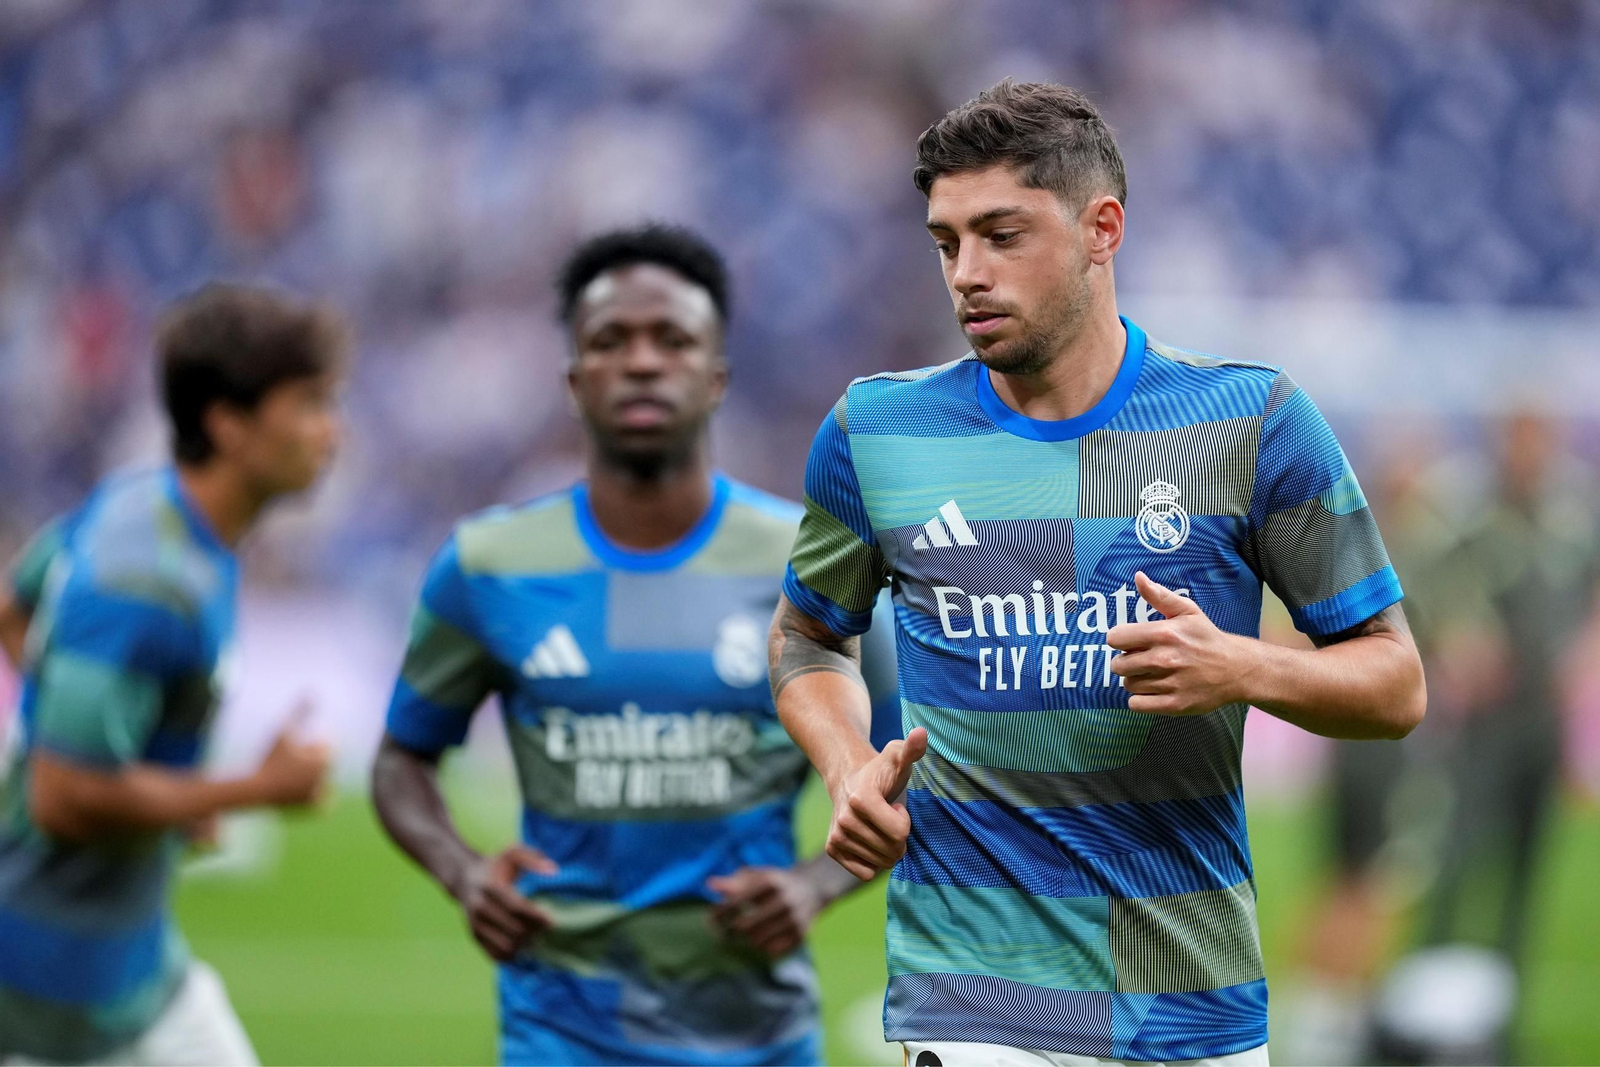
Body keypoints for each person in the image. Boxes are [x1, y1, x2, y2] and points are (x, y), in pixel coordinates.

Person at [770, 79, 1427, 1067]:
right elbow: (806, 632)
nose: (966, 274)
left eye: (1001, 235)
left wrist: (1243, 667)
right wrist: (845, 764)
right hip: (970, 994)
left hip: (1187, 1002)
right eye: (947, 243)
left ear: (1100, 228)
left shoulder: (1251, 422)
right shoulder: (874, 429)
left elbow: (1395, 681)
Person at [371, 225, 891, 1066]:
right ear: (575, 382)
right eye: (611, 341)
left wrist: (814, 883)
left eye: (673, 340)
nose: (643, 362)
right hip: (560, 1032)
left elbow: (909, 766)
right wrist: (462, 872)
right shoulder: (487, 565)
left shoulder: (805, 562)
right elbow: (402, 759)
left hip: (758, 1036)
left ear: (717, 376)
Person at [0, 284, 344, 1065]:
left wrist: (129, 766)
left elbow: (15, 611)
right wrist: (254, 790)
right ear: (228, 423)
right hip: (54, 993)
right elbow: (62, 794)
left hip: (137, 971)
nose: (331, 432)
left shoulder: (141, 504)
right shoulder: (147, 577)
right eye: (308, 405)